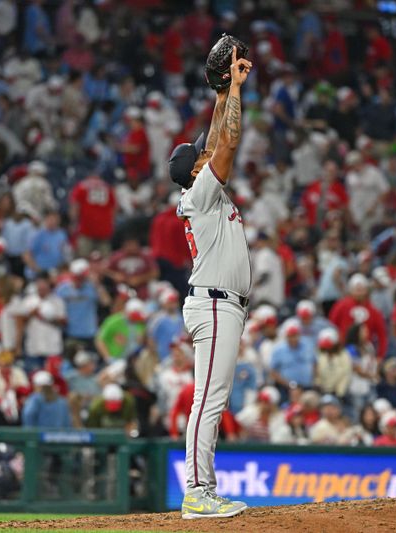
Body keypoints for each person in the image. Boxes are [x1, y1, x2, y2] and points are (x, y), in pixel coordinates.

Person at [170, 46, 252, 519]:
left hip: (222, 304)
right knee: (208, 399)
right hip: (216, 304)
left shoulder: (204, 191)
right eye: (201, 154)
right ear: (194, 171)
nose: (209, 152)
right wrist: (235, 90)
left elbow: (220, 136)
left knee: (211, 398)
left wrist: (223, 91)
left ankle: (204, 488)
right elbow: (228, 144)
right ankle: (197, 490)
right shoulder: (200, 192)